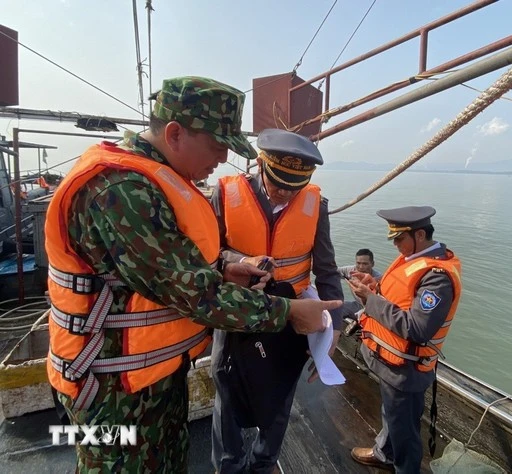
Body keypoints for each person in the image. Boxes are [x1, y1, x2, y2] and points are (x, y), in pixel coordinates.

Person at [44, 76, 341, 473]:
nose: (222, 159)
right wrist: (287, 313)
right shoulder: (120, 189)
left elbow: (172, 263)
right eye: (218, 146)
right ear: (175, 133)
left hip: (150, 379)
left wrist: (223, 267)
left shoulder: (157, 182)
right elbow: (194, 293)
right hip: (111, 390)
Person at [210, 128, 344, 474]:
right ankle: (228, 465)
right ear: (259, 164)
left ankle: (264, 464)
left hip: (291, 316)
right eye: (278, 181)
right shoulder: (224, 194)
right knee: (226, 386)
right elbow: (206, 255)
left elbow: (327, 270)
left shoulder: (316, 206)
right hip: (237, 311)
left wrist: (336, 329)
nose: (285, 191)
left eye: (294, 186)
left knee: (281, 390)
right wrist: (237, 261)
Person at [348, 206, 462, 474]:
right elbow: (400, 299)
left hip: (406, 370)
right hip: (390, 363)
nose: (396, 245)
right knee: (392, 416)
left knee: (405, 433)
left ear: (419, 235)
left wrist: (370, 300)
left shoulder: (437, 277)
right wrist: (374, 287)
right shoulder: (412, 259)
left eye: (399, 239)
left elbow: (418, 328)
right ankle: (384, 453)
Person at [338, 248, 382, 320]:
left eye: (365, 264)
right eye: (358, 263)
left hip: (374, 310)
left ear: (372, 264)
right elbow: (331, 271)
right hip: (358, 305)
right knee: (336, 308)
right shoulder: (350, 271)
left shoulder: (378, 279)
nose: (361, 267)